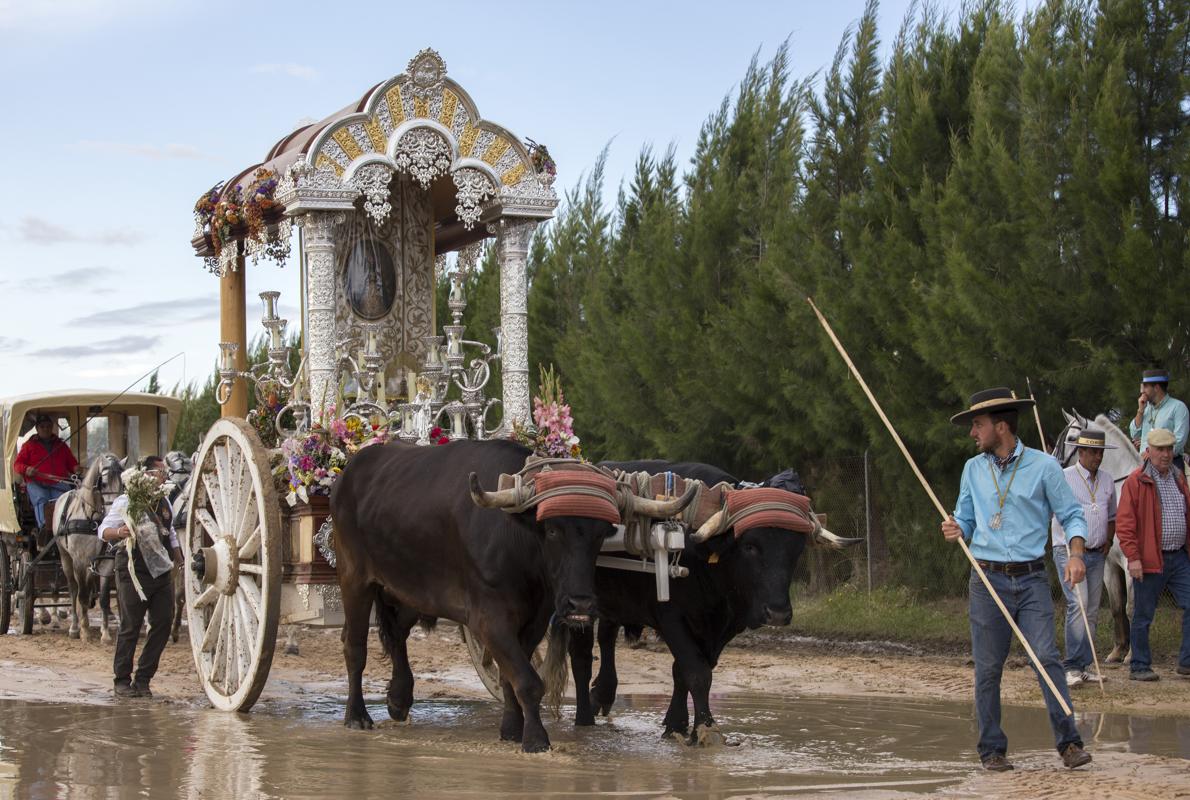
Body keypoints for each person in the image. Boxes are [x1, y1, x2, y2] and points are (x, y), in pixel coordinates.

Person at [941, 387, 1092, 771]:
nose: (973, 433)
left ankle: (1070, 744)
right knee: (988, 668)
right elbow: (967, 519)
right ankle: (992, 750)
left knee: (1046, 658)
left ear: (1001, 426)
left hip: (1031, 580)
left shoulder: (1044, 467)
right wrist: (957, 528)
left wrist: (1075, 555)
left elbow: (1072, 516)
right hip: (987, 581)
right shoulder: (973, 469)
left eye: (978, 425)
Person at [99, 455, 184, 699]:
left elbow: (171, 536)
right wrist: (120, 531)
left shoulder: (165, 501)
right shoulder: (126, 500)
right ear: (146, 474)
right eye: (160, 471)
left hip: (161, 571)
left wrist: (180, 559)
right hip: (133, 571)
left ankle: (143, 678)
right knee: (130, 626)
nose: (164, 476)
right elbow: (102, 531)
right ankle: (121, 680)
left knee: (163, 623)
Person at [1115, 428, 1190, 682]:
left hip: (1179, 556)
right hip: (1149, 558)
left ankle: (1187, 662)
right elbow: (1125, 524)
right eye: (1161, 449)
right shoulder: (1136, 480)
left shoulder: (1179, 477)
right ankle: (1139, 666)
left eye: (1169, 449)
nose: (1166, 454)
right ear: (1149, 451)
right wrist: (1133, 557)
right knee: (1143, 614)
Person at [1051, 428, 1117, 687]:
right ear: (1081, 451)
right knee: (1078, 605)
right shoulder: (1064, 477)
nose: (1097, 457)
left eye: (1100, 452)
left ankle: (1083, 665)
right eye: (1092, 452)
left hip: (1097, 553)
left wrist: (1109, 540)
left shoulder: (1108, 480)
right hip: (1067, 552)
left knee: (1091, 610)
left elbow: (1112, 516)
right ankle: (1070, 667)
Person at [13, 413, 80, 529]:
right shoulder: (28, 446)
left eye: (48, 426)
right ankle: (45, 529)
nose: (46, 429)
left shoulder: (61, 445)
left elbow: (72, 464)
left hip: (59, 483)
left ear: (52, 427)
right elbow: (17, 464)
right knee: (41, 499)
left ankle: (64, 528)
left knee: (64, 500)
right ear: (37, 428)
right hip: (36, 483)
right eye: (42, 426)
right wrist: (26, 469)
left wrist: (77, 469)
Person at [1130, 368, 1188, 474]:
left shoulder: (1178, 407)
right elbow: (1134, 434)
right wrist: (1140, 411)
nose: (1142, 391)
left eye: (1145, 387)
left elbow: (1178, 441)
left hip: (1171, 466)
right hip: (1145, 466)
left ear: (1156, 388)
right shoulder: (1146, 409)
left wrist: (1154, 454)